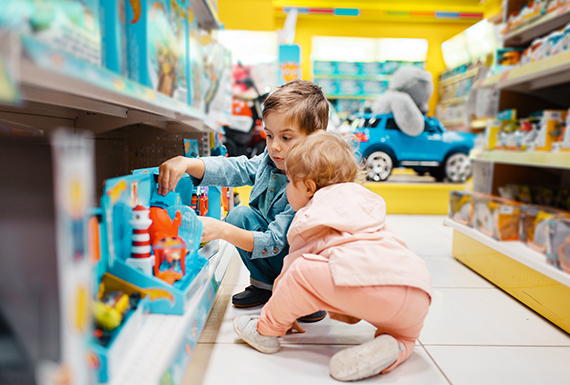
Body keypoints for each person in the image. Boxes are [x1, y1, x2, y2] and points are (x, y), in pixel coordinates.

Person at [233, 131, 432, 382]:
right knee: (404, 335)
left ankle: (266, 332)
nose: (286, 189)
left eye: (289, 183)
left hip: (372, 287)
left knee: (300, 271)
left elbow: (293, 272)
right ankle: (398, 346)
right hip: (418, 291)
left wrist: (281, 312)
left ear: (308, 187)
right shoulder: (363, 200)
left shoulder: (310, 213)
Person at [157, 79, 329, 321]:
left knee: (237, 224)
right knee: (239, 215)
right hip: (278, 253)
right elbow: (235, 168)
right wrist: (188, 163)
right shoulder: (270, 162)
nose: (274, 147)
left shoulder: (310, 185)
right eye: (269, 136)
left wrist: (222, 231)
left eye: (286, 138)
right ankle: (264, 285)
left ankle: (305, 296)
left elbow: (276, 241)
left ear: (314, 138)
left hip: (301, 261)